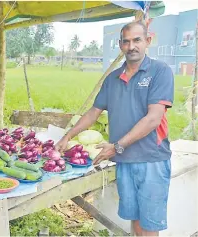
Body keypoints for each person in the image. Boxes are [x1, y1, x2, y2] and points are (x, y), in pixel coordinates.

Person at [55, 21, 174, 236]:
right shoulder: (112, 79)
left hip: (151, 160)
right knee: (136, 220)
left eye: (137, 40)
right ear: (120, 45)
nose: (132, 46)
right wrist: (68, 136)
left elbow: (153, 119)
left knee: (150, 225)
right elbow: (94, 112)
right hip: (124, 160)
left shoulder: (160, 71)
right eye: (126, 41)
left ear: (148, 41)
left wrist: (116, 146)